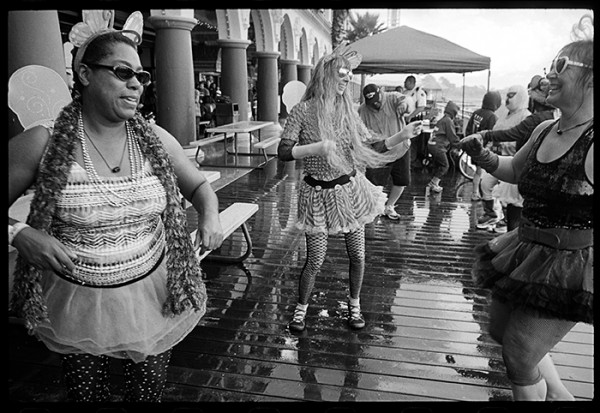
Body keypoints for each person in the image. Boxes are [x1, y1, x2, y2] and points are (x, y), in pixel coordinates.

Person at [8, 27, 224, 402]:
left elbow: (199, 186)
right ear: (86, 74)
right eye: (123, 72)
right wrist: (20, 234)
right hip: (80, 298)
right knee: (87, 394)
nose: (136, 85)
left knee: (148, 392)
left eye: (141, 76)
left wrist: (210, 214)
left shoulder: (155, 138)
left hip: (153, 292)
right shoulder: (42, 141)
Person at [459, 22, 593, 400]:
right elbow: (515, 171)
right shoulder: (544, 130)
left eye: (562, 65)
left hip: (570, 262)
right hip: (526, 248)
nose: (549, 74)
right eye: (551, 63)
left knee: (518, 352)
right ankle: (560, 395)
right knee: (502, 333)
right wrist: (482, 155)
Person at [277, 44, 422, 332]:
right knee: (315, 260)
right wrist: (316, 148)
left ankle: (354, 306)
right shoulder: (303, 111)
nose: (346, 80)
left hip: (350, 193)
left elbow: (370, 144)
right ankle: (301, 309)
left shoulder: (349, 113)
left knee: (358, 255)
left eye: (349, 76)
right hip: (316, 195)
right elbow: (283, 151)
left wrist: (400, 135)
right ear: (326, 75)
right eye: (342, 74)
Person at [476, 85, 531, 232]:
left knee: (510, 197)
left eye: (512, 95)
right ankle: (491, 213)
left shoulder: (526, 117)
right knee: (485, 184)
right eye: (507, 95)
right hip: (499, 159)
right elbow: (495, 133)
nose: (507, 99)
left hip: (515, 162)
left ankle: (507, 222)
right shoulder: (505, 115)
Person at [358, 84, 413, 220]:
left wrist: (405, 105)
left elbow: (408, 100)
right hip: (378, 154)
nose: (375, 104)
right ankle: (374, 209)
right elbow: (360, 134)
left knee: (402, 181)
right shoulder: (363, 110)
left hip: (401, 149)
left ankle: (389, 206)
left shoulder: (393, 98)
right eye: (371, 102)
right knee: (375, 185)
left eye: (377, 100)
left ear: (381, 93)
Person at [464, 91, 502, 201]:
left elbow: (468, 130)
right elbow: (493, 135)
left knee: (478, 171)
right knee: (483, 173)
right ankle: (478, 194)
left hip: (473, 147)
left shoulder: (476, 113)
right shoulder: (492, 117)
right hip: (484, 150)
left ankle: (475, 193)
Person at [425, 101, 461, 193]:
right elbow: (452, 136)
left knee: (438, 165)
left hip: (432, 145)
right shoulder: (448, 121)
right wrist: (460, 144)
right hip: (438, 147)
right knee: (445, 166)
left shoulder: (442, 120)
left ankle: (435, 183)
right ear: (454, 113)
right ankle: (433, 183)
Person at [402, 75, 428, 170]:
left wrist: (410, 116)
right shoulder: (405, 93)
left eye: (406, 82)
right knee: (403, 140)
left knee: (413, 141)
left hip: (413, 119)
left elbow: (421, 107)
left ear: (411, 82)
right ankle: (404, 160)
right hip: (404, 119)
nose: (404, 84)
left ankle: (411, 162)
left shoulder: (419, 92)